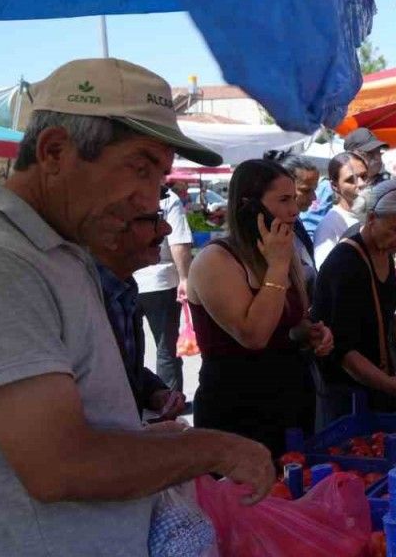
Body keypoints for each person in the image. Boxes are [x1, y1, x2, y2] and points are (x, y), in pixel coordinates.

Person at [0, 58, 275, 555]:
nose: (147, 198)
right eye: (139, 168)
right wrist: (210, 448)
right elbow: (59, 465)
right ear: (53, 152)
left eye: (158, 175)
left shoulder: (52, 250)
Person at [187, 159, 334, 456]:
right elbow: (254, 335)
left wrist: (309, 332)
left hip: (289, 402)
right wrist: (278, 267)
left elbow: (288, 324)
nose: (294, 210)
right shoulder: (215, 260)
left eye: (294, 198)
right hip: (238, 412)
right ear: (250, 206)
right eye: (283, 200)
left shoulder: (283, 252)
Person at [314, 181, 396, 423]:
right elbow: (342, 348)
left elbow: (371, 297)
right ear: (372, 218)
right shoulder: (346, 264)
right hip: (350, 392)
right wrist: (391, 385)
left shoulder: (383, 250)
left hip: (378, 382)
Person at [92, 208, 187, 419]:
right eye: (153, 220)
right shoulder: (81, 292)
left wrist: (154, 392)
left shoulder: (123, 287)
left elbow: (122, 369)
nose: (166, 229)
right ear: (109, 231)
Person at [132, 183, 193, 396]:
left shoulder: (128, 194)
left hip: (131, 279)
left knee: (130, 347)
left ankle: (146, 400)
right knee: (166, 348)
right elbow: (179, 242)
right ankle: (169, 402)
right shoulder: (169, 199)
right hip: (160, 282)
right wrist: (185, 278)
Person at [300, 127, 389, 238]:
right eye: (369, 153)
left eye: (378, 153)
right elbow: (311, 227)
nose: (377, 158)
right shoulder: (328, 187)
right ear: (352, 155)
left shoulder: (383, 186)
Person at [313, 152, 371, 266]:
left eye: (364, 176)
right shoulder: (329, 226)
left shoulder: (375, 215)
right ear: (335, 186)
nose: (361, 183)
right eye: (351, 180)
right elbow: (328, 275)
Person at [280, 155, 321, 293]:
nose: (314, 197)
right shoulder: (273, 232)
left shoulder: (296, 221)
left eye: (314, 189)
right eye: (306, 190)